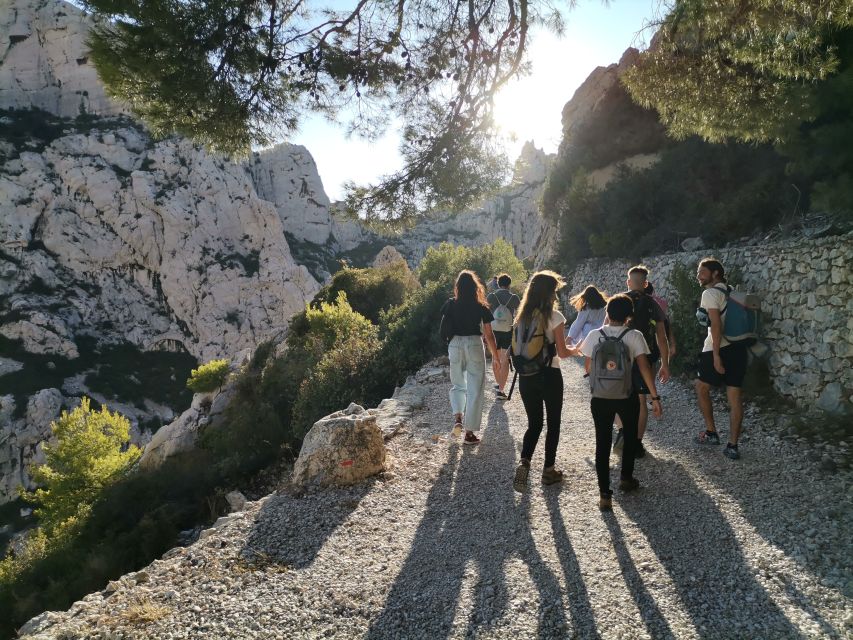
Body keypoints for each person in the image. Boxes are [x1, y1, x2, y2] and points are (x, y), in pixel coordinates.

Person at [579, 294, 663, 509]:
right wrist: (654, 397)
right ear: (629, 316)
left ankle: (604, 494)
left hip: (600, 398)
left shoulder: (594, 335)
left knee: (602, 442)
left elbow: (588, 367)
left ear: (607, 313)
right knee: (629, 435)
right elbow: (645, 369)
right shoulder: (635, 336)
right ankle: (626, 479)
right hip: (628, 396)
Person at [511, 271, 574, 490]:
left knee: (534, 424)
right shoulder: (554, 317)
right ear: (549, 293)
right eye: (555, 291)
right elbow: (563, 352)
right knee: (553, 423)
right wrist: (578, 351)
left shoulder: (521, 317)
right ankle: (548, 471)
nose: (556, 295)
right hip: (549, 374)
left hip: (526, 376)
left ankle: (525, 461)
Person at [613, 265, 670, 458]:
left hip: (620, 358)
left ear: (628, 282)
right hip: (646, 358)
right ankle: (636, 444)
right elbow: (662, 338)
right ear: (645, 284)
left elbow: (607, 329)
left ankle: (622, 432)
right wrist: (665, 364)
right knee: (640, 401)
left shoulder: (618, 301)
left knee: (619, 397)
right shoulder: (653, 304)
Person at [694, 258, 747, 460]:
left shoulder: (710, 293)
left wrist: (716, 355)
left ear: (715, 273)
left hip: (717, 348)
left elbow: (715, 325)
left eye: (702, 271)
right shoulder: (731, 291)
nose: (699, 275)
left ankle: (711, 433)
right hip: (739, 349)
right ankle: (732, 446)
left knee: (701, 387)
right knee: (734, 397)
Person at [440, 270, 499, 445]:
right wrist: (496, 357)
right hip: (474, 343)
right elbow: (489, 335)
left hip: (455, 344)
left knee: (458, 385)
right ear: (475, 287)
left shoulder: (450, 304)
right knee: (475, 389)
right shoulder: (480, 306)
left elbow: (443, 327)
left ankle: (458, 417)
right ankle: (469, 433)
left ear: (457, 287)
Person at [486, 273, 521, 400]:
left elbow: (485, 313)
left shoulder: (491, 296)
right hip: (508, 331)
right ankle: (501, 389)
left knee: (495, 358)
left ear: (499, 283)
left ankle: (499, 384)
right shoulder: (514, 298)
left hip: (493, 331)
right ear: (509, 284)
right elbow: (520, 315)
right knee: (505, 358)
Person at [644, 282, 677, 358]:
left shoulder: (642, 302)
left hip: (649, 339)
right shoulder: (661, 303)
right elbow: (667, 323)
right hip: (661, 338)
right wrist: (672, 344)